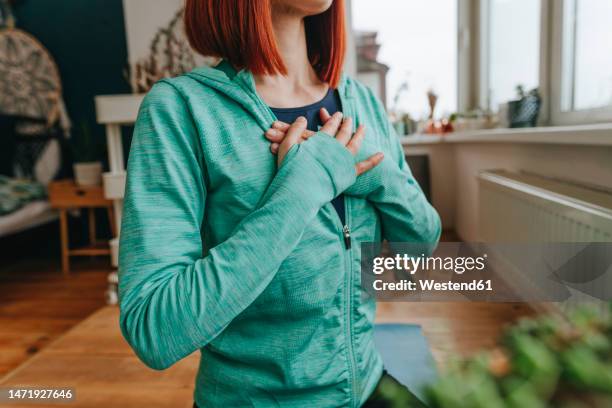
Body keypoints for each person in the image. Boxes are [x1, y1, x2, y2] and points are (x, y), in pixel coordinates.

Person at [118, 0, 441, 406]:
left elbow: (421, 249)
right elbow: (155, 328)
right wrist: (301, 189)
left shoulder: (361, 102)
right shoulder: (181, 109)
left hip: (365, 383)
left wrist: (377, 174)